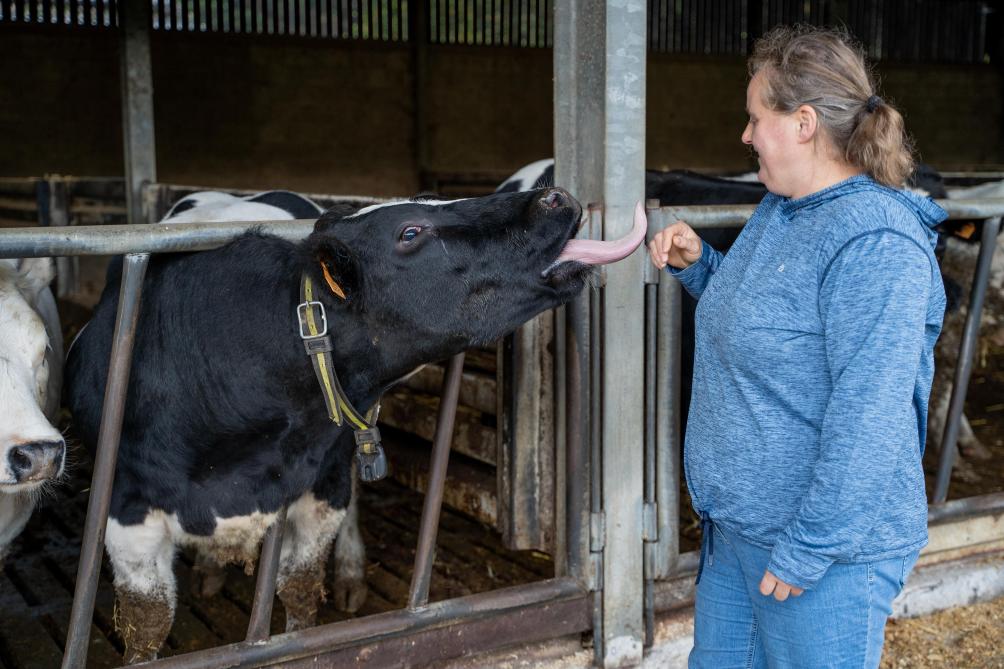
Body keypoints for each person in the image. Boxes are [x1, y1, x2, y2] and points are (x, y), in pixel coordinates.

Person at [648, 25, 947, 668]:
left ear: (804, 122)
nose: (746, 134)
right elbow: (774, 326)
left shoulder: (876, 244)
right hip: (739, 533)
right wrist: (701, 265)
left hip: (819, 556)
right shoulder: (783, 209)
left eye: (756, 118)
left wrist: (811, 547)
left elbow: (869, 414)